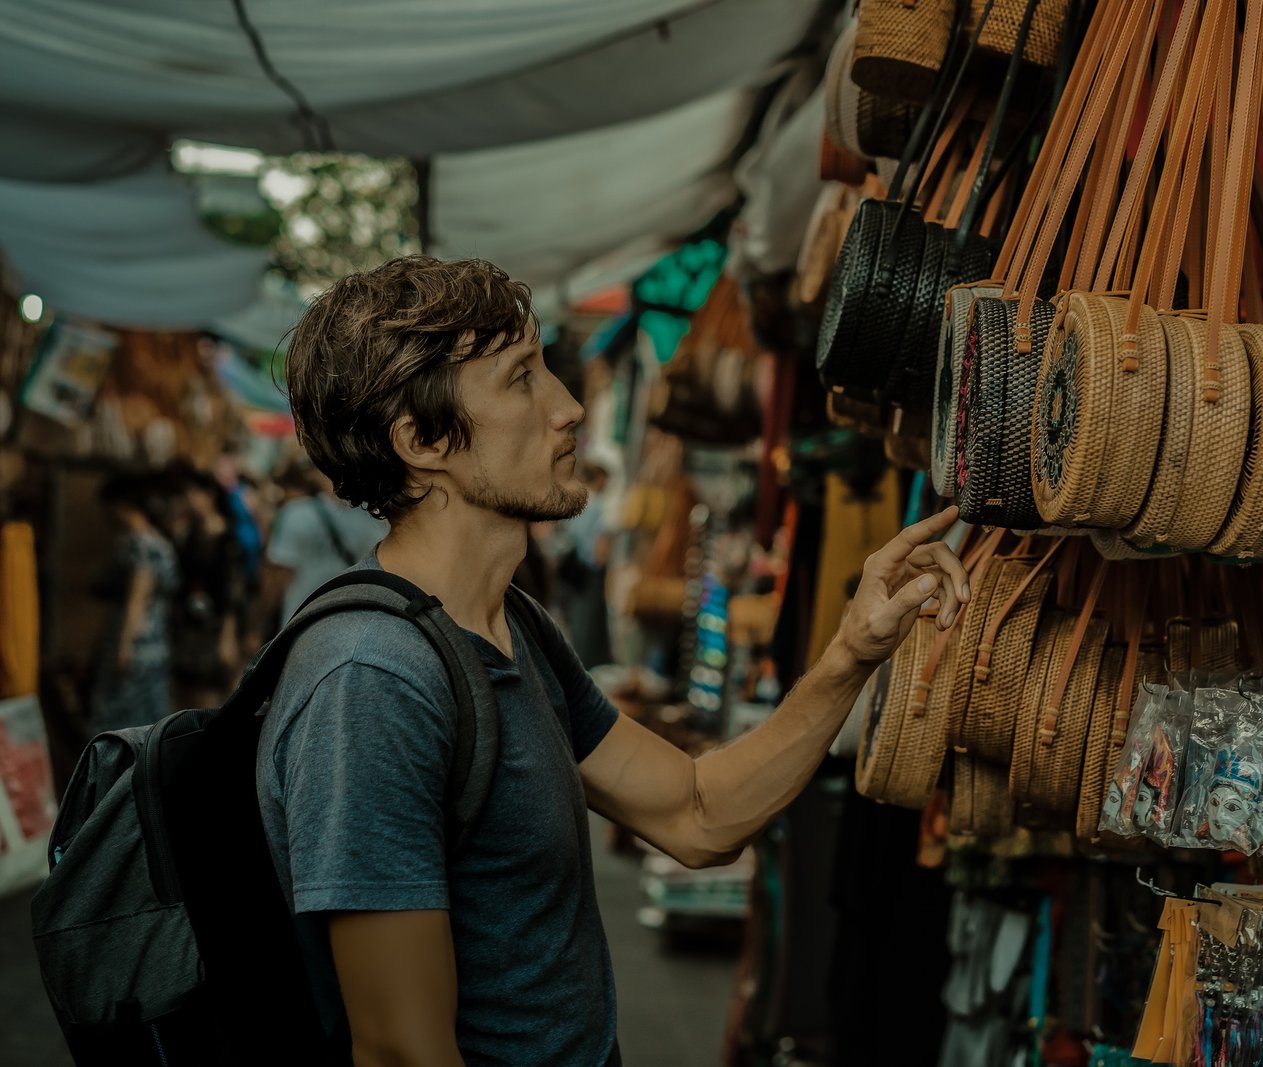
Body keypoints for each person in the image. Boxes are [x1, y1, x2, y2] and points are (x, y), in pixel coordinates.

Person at [264, 255, 969, 1067]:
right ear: (423, 441)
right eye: (522, 379)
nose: (568, 409)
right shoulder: (373, 679)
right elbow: (401, 1051)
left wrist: (852, 648)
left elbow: (698, 815)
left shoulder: (514, 624)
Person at [87, 472, 181, 732]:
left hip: (133, 644)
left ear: (118, 504)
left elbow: (137, 597)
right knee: (148, 722)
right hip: (156, 643)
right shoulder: (160, 543)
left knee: (117, 719)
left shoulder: (137, 544)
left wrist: (124, 646)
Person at [258, 458, 388, 633]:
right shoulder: (374, 517)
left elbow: (278, 578)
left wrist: (258, 625)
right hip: (356, 624)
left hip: (301, 623)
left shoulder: (294, 514)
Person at [170, 464, 248, 707]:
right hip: (187, 622)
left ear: (209, 495)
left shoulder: (228, 537)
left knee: (209, 691)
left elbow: (233, 591)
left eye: (195, 494)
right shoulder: (188, 532)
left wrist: (228, 633)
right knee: (184, 689)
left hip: (214, 624)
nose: (190, 500)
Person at [551, 461, 613, 667]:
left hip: (573, 569)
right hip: (591, 572)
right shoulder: (598, 507)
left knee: (575, 620)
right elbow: (600, 550)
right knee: (589, 623)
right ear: (600, 479)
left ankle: (576, 660)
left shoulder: (578, 502)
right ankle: (587, 665)